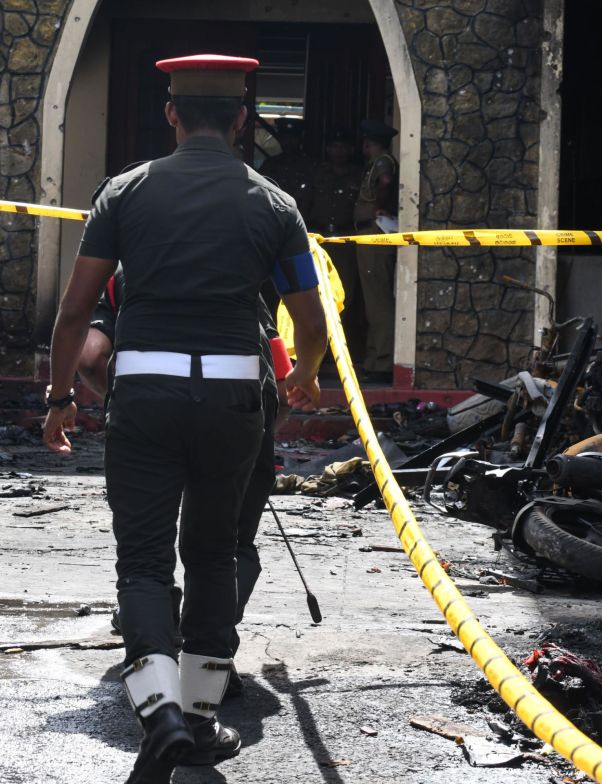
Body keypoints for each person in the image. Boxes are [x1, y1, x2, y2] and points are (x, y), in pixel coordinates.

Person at [41, 54, 327, 783]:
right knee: (214, 555)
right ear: (241, 122)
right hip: (234, 402)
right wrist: (310, 377)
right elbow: (308, 315)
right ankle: (197, 722)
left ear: (171, 114)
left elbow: (76, 311)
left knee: (141, 561)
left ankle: (158, 711)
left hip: (144, 396)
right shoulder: (273, 204)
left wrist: (58, 398)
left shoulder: (124, 192)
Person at [77, 269, 293, 696]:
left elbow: (89, 357)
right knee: (226, 547)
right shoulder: (235, 268)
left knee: (145, 558)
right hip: (237, 412)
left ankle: (155, 672)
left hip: (148, 410)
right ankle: (209, 664)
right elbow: (281, 375)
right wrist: (263, 430)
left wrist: (120, 402)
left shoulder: (124, 276)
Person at [305, 129, 361, 353]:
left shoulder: (358, 175)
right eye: (334, 146)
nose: (338, 151)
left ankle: (340, 349)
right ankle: (317, 348)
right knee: (315, 294)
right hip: (319, 240)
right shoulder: (317, 173)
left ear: (350, 150)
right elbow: (305, 203)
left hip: (346, 240)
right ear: (327, 149)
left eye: (343, 147)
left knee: (344, 295)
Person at [353, 119, 399, 384]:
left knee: (378, 300)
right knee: (373, 300)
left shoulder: (383, 162)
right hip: (369, 231)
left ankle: (381, 360)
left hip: (376, 231)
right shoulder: (379, 161)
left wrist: (381, 205)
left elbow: (385, 181)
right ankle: (374, 358)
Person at [259, 118, 314, 214]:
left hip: (301, 215)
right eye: (285, 138)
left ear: (300, 139)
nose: (288, 142)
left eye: (293, 138)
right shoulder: (270, 164)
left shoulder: (310, 165)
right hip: (274, 215)